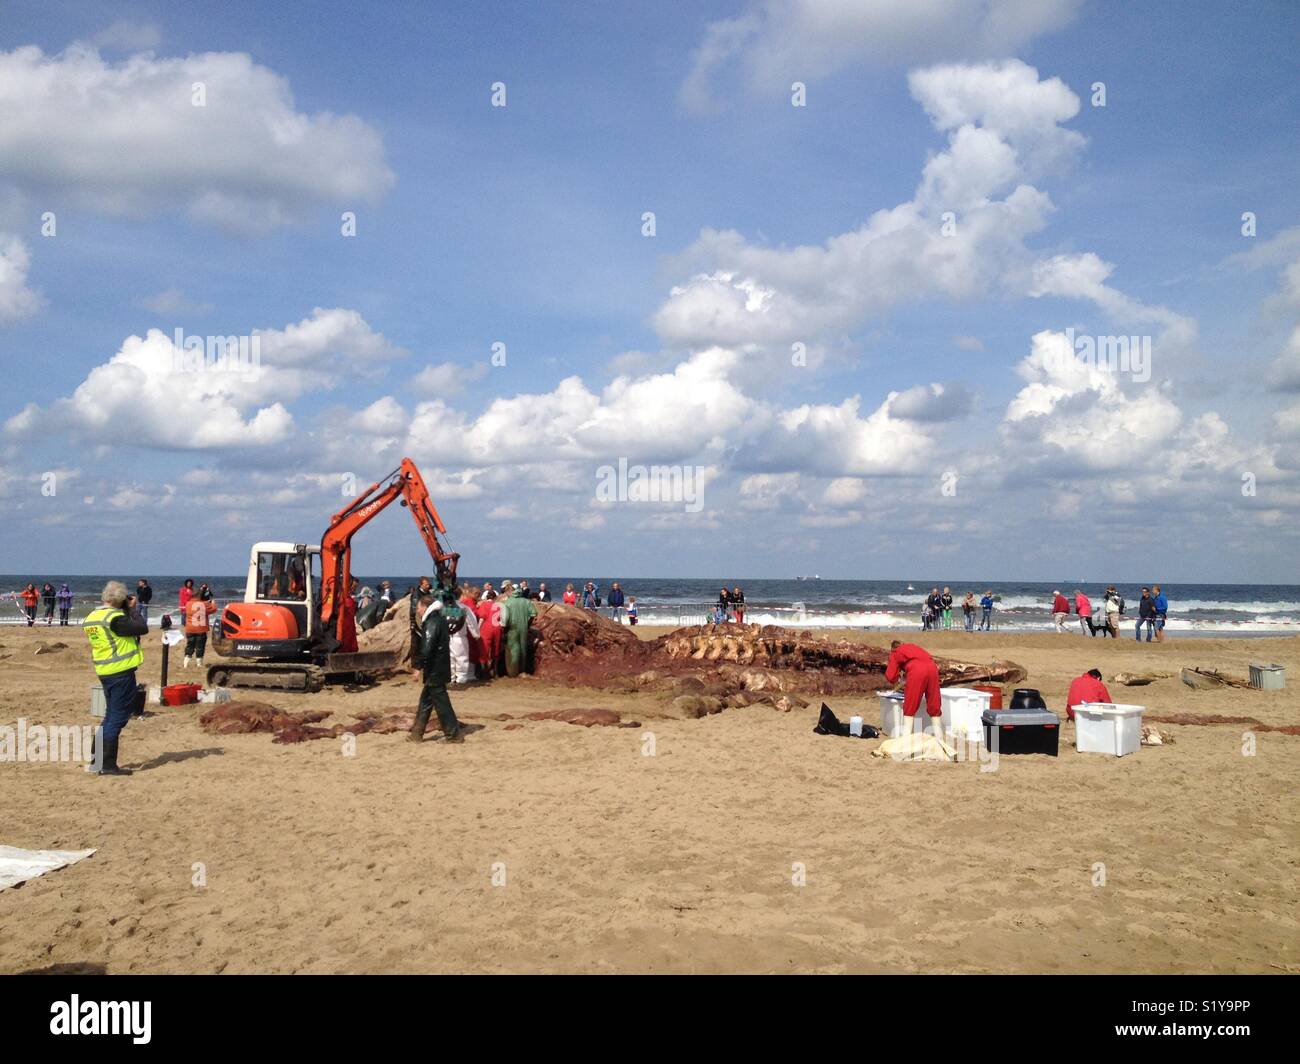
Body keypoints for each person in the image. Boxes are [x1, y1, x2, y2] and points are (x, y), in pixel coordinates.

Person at [84, 580, 157, 776]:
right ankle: (107, 765)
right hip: (121, 672)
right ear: (121, 599)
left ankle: (96, 760)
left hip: (104, 670)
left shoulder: (93, 616)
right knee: (117, 718)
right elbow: (141, 628)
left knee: (109, 716)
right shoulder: (116, 619)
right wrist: (133, 610)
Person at [408, 593, 464, 744]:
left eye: (419, 608)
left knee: (442, 703)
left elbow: (427, 647)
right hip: (439, 667)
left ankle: (453, 735)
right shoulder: (439, 619)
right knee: (426, 701)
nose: (418, 611)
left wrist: (418, 667)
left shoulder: (432, 621)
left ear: (425, 607)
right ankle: (417, 734)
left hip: (435, 669)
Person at [885, 640, 942, 734]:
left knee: (910, 703)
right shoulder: (913, 646)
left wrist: (897, 679)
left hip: (917, 670)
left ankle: (906, 737)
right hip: (932, 667)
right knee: (934, 700)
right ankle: (939, 737)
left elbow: (890, 675)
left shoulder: (895, 652)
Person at [498, 586, 536, 678]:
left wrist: (503, 629)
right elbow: (533, 614)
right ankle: (522, 670)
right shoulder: (527, 602)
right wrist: (528, 624)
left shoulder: (507, 602)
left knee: (512, 650)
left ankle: (512, 673)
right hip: (523, 628)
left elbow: (505, 618)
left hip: (511, 628)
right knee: (523, 649)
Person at [449, 585, 481, 685]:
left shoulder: (445, 607)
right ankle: (461, 679)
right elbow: (471, 622)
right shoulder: (463, 608)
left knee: (451, 659)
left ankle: (451, 678)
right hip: (460, 637)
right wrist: (476, 634)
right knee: (461, 659)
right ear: (460, 595)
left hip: (448, 636)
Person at [183, 587, 216, 668]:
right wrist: (213, 603)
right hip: (201, 629)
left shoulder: (188, 604)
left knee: (190, 645)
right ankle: (199, 663)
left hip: (190, 629)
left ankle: (186, 662)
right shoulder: (204, 604)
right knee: (200, 646)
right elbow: (213, 609)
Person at [473, 590, 502, 680]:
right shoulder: (498, 605)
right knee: (496, 649)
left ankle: (484, 672)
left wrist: (477, 630)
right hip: (497, 627)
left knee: (484, 649)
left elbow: (482, 618)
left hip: (486, 628)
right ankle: (495, 671)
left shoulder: (484, 605)